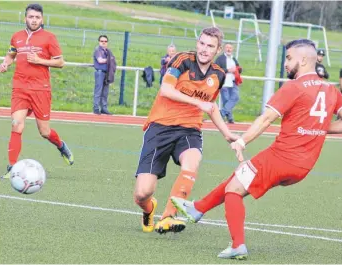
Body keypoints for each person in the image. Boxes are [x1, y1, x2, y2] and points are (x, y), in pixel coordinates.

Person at [171, 39, 342, 259]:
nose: (285, 64)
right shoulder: (331, 90)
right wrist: (318, 128)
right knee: (241, 176)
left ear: (304, 59)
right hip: (304, 165)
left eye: (289, 58)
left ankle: (237, 246)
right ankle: (198, 208)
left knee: (234, 189)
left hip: (282, 157)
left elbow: (265, 120)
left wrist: (241, 142)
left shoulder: (293, 87)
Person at [134, 27, 239, 235]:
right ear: (197, 43)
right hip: (160, 126)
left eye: (210, 46)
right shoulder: (182, 60)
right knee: (142, 194)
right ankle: (149, 209)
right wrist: (197, 102)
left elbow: (211, 106)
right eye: (202, 43)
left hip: (189, 129)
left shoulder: (218, 74)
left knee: (192, 162)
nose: (204, 49)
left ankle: (168, 217)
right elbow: (165, 89)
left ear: (217, 50)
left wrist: (228, 135)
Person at [0, 3, 74, 179]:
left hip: (41, 89)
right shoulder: (16, 37)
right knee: (16, 124)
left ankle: (61, 146)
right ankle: (12, 168)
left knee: (44, 132)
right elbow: (11, 54)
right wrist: (5, 63)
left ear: (42, 19)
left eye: (37, 17)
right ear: (25, 18)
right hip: (20, 87)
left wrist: (40, 60)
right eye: (31, 17)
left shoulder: (49, 38)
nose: (34, 20)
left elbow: (60, 62)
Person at [215, 43, 242, 123]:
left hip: (233, 82)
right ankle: (230, 118)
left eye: (230, 47)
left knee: (235, 97)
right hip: (224, 82)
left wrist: (238, 70)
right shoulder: (220, 58)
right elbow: (216, 69)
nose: (229, 49)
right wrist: (228, 70)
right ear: (224, 48)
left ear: (232, 49)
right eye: (227, 47)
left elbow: (238, 69)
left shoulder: (234, 59)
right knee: (226, 100)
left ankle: (221, 113)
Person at [93, 35, 117, 115]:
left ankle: (104, 108)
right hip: (100, 72)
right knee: (98, 91)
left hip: (107, 73)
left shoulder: (108, 51)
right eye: (102, 41)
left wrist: (109, 60)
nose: (103, 43)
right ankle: (96, 108)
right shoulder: (98, 50)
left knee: (105, 92)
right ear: (99, 42)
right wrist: (109, 60)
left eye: (105, 41)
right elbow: (100, 60)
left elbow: (113, 60)